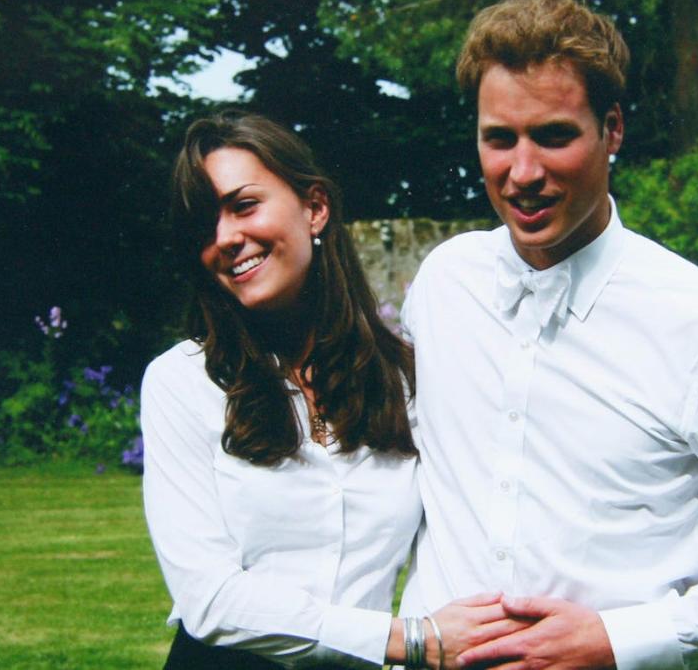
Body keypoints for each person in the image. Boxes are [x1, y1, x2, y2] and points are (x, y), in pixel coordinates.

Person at [399, 0, 698, 670]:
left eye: (554, 135)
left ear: (612, 129)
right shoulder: (443, 283)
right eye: (500, 139)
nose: (522, 172)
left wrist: (618, 640)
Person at [141, 111, 525, 669]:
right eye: (204, 225)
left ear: (315, 208)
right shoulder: (183, 382)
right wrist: (409, 641)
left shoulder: (404, 382)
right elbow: (210, 600)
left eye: (243, 206)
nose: (225, 238)